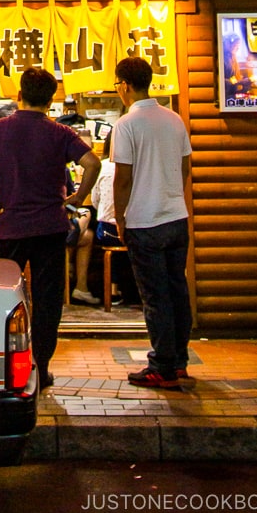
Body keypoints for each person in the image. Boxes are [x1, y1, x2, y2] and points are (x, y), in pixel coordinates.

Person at [0, 67, 100, 391]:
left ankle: (3, 370)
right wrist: (77, 197)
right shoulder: (60, 133)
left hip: (9, 229)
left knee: (0, 300)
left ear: (19, 95)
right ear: (51, 100)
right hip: (51, 228)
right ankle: (42, 367)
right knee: (48, 302)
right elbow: (92, 163)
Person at [112, 55, 193, 389]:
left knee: (155, 297)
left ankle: (162, 366)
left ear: (126, 86)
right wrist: (172, 194)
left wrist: (120, 217)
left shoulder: (127, 125)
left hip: (144, 222)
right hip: (176, 218)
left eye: (117, 84)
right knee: (177, 291)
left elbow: (122, 179)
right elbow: (186, 165)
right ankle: (179, 362)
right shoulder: (174, 119)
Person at [91, 135, 140, 306]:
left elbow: (95, 201)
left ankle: (112, 291)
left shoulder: (102, 167)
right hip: (135, 230)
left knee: (96, 229)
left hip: (108, 232)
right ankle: (136, 290)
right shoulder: (138, 166)